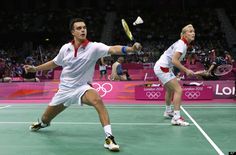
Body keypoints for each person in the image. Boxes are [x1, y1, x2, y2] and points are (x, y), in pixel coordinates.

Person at [24, 18, 142, 152]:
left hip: (82, 88)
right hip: (64, 90)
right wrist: (35, 69)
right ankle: (42, 123)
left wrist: (131, 49)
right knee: (45, 119)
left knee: (97, 100)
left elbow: (113, 49)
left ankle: (109, 137)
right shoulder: (65, 48)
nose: (83, 30)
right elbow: (55, 63)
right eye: (79, 28)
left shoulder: (94, 48)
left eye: (84, 27)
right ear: (72, 32)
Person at [154, 24, 195, 126]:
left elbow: (171, 60)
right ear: (184, 35)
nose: (193, 33)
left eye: (193, 31)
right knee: (178, 90)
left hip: (163, 67)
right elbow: (174, 60)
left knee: (170, 89)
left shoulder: (182, 44)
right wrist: (186, 70)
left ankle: (168, 111)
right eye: (190, 31)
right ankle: (176, 118)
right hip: (163, 68)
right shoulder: (181, 45)